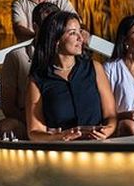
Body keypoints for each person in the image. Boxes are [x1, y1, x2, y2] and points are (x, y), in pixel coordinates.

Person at [26, 11, 117, 141]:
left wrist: (108, 130)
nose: (80, 38)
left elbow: (110, 115)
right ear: (56, 40)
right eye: (73, 33)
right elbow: (34, 132)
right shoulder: (38, 79)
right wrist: (60, 137)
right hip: (62, 152)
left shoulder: (95, 68)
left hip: (97, 147)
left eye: (80, 31)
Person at [0, 2, 60, 139]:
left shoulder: (67, 55)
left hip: (61, 119)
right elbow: (8, 106)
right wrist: (37, 124)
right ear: (36, 28)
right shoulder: (16, 57)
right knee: (5, 127)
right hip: (27, 119)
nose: (52, 32)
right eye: (47, 27)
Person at [103, 15, 134, 136]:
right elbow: (104, 109)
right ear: (125, 40)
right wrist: (125, 115)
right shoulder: (111, 68)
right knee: (130, 126)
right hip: (123, 124)